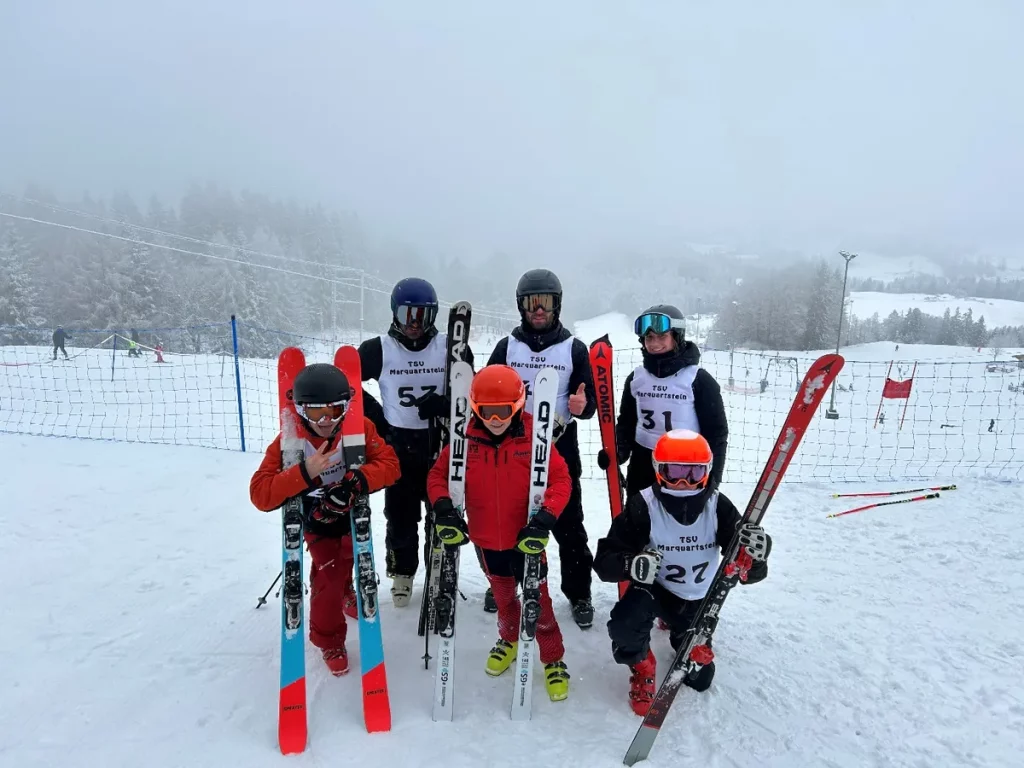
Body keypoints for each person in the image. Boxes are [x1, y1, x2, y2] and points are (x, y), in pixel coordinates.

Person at [593, 430, 771, 715]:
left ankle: (677, 630)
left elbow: (746, 572)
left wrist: (757, 559)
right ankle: (642, 667)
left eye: (693, 471)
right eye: (674, 471)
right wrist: (631, 564)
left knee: (700, 679)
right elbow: (604, 561)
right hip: (658, 591)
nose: (683, 481)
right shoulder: (644, 505)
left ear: (706, 470)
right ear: (658, 469)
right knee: (624, 626)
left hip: (700, 600)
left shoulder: (718, 505)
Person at [426, 364, 573, 701]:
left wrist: (546, 517)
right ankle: (509, 639)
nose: (495, 420)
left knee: (540, 603)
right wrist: (445, 509)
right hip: (486, 541)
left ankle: (552, 658)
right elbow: (437, 476)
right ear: (476, 408)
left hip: (526, 538)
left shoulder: (535, 437)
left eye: (504, 412)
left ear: (518, 406)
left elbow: (561, 479)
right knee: (504, 598)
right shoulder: (464, 442)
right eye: (487, 412)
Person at [250, 363, 401, 676]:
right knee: (328, 574)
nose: (326, 421)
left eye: (334, 410)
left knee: (349, 557)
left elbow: (390, 464)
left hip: (350, 509)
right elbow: (260, 493)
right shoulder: (290, 442)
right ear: (302, 411)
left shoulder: (358, 431)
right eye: (316, 413)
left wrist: (358, 480)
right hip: (315, 518)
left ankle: (348, 591)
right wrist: (305, 473)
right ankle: (328, 637)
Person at [487, 268, 597, 629]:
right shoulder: (507, 347)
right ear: (521, 306)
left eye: (545, 303)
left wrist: (584, 406)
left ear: (557, 305)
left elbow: (590, 400)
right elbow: (486, 394)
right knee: (512, 523)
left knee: (568, 525)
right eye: (532, 303)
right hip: (514, 451)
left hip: (559, 449)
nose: (539, 310)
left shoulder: (573, 348)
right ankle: (506, 585)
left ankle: (579, 592)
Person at [357, 277, 474, 608]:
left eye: (422, 316)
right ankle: (403, 574)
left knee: (440, 510)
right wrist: (377, 419)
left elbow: (472, 391)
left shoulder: (450, 347)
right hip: (398, 444)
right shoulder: (378, 349)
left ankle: (436, 572)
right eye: (408, 314)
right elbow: (347, 380)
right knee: (400, 514)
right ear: (395, 312)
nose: (414, 324)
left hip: (439, 441)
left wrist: (446, 403)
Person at [601, 304, 728, 498]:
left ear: (676, 337)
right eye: (649, 338)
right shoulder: (637, 378)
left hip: (684, 468)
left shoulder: (698, 380)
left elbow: (717, 433)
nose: (654, 343)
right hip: (642, 464)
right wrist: (618, 452)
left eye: (662, 337)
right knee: (639, 522)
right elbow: (627, 423)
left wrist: (713, 477)